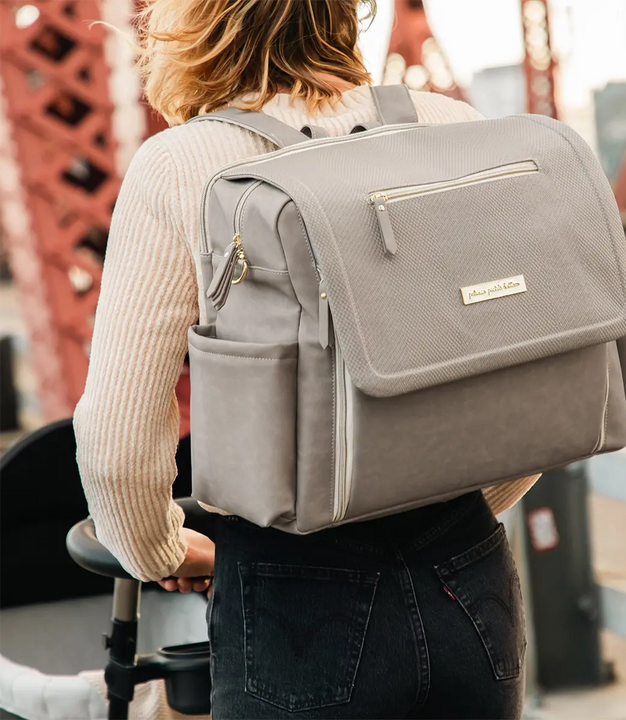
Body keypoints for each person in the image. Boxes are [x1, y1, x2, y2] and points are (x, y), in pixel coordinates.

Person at [74, 1, 540, 717]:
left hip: (297, 602)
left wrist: (163, 553)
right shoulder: (457, 127)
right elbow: (531, 369)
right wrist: (458, 505)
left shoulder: (181, 166)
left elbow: (117, 447)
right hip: (470, 579)